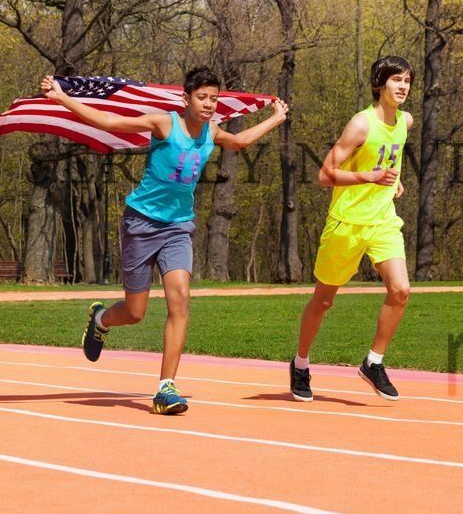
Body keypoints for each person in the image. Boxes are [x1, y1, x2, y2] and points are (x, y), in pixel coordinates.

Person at [43, 67, 288, 414]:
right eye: (201, 98)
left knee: (180, 298)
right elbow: (109, 123)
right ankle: (100, 320)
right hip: (141, 223)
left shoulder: (212, 131)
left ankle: (165, 387)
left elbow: (240, 142)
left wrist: (276, 117)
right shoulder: (164, 124)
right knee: (135, 312)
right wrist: (62, 98)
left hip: (178, 227)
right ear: (186, 99)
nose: (208, 104)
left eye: (213, 99)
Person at [291, 55, 414, 402]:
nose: (403, 86)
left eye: (407, 80)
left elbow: (388, 158)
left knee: (401, 290)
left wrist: (394, 179)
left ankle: (373, 362)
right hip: (347, 223)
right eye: (396, 79)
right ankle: (300, 364)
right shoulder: (361, 124)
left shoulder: (405, 121)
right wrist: (369, 177)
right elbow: (324, 174)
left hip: (383, 220)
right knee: (324, 300)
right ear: (379, 84)